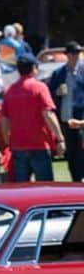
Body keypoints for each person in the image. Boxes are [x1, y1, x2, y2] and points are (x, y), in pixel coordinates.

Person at [2, 56, 64, 182]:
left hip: (18, 146)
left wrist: (7, 141)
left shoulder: (9, 91)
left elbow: (4, 120)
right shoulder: (40, 87)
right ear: (33, 68)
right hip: (39, 144)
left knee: (21, 190)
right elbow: (48, 114)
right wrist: (60, 138)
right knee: (45, 188)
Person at [47, 42, 84, 182]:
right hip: (65, 118)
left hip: (80, 119)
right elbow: (49, 94)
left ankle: (81, 178)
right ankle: (75, 180)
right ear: (67, 55)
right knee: (71, 153)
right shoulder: (58, 73)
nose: (75, 57)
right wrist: (57, 92)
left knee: (81, 152)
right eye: (73, 54)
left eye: (77, 54)